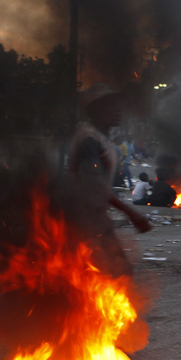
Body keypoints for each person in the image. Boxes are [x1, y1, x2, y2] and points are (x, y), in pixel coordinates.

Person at [67, 83, 152, 277]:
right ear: (97, 110)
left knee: (107, 272)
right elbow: (94, 184)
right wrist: (131, 213)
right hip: (84, 218)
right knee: (115, 271)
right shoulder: (90, 139)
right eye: (112, 106)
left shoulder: (100, 138)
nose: (119, 110)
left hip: (94, 216)